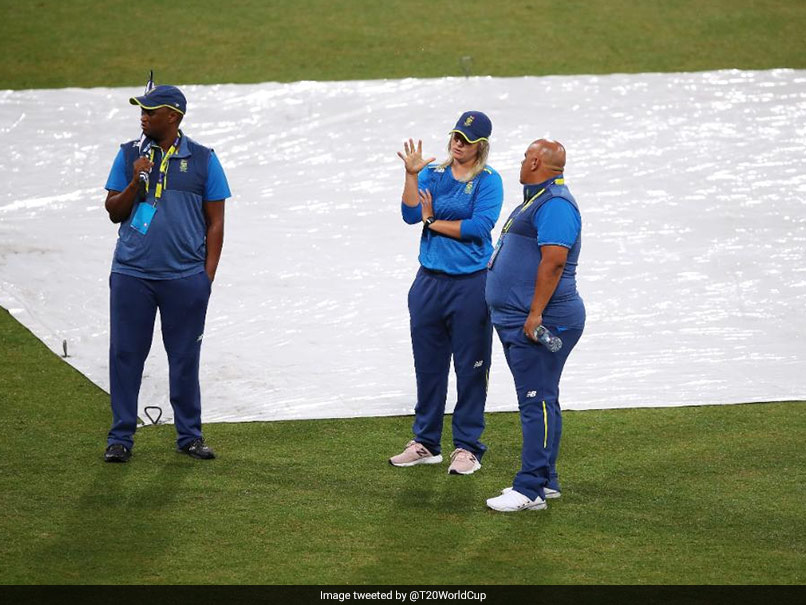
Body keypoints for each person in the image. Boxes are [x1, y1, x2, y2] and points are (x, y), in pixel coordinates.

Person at [102, 85, 231, 462]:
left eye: (150, 111)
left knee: (185, 358)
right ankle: (120, 439)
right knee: (125, 355)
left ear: (172, 117)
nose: (143, 116)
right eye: (141, 110)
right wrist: (134, 181)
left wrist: (205, 277)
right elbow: (113, 210)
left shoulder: (205, 160)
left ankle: (189, 436)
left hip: (184, 278)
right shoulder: (128, 155)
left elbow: (216, 223)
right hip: (131, 275)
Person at [389, 111, 504, 475]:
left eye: (466, 140)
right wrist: (410, 175)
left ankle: (468, 447)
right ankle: (426, 442)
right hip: (429, 282)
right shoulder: (433, 173)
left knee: (471, 367)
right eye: (456, 136)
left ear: (480, 146)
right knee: (428, 365)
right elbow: (409, 214)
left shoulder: (489, 180)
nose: (458, 143)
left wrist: (432, 221)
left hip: (471, 285)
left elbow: (479, 227)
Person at [484, 139, 585, 511]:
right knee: (543, 396)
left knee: (535, 400)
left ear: (536, 161)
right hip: (521, 316)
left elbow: (554, 261)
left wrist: (535, 314)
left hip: (544, 319)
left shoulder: (555, 204)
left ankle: (530, 490)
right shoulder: (536, 199)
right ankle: (547, 480)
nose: (521, 162)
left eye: (526, 157)